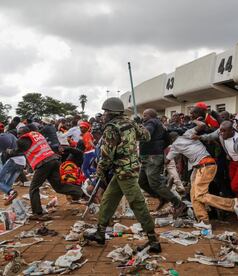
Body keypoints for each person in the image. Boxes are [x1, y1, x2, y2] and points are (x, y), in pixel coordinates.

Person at [83, 97, 161, 253]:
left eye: (105, 112)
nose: (103, 115)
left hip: (125, 171)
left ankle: (153, 241)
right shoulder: (130, 123)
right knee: (108, 199)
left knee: (137, 203)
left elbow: (106, 155)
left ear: (111, 113)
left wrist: (100, 171)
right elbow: (146, 136)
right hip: (126, 169)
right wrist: (139, 124)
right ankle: (100, 232)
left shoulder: (112, 128)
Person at [166, 123, 238, 229]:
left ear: (171, 139)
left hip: (205, 166)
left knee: (200, 195)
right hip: (200, 167)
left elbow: (167, 161)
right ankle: (204, 221)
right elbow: (201, 125)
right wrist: (193, 122)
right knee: (194, 194)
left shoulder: (174, 146)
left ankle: (232, 204)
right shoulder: (187, 133)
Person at [7, 126, 83, 220]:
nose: (18, 136)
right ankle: (82, 192)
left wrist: (9, 151)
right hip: (54, 160)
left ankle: (37, 213)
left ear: (24, 133)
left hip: (43, 163)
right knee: (59, 187)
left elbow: (17, 151)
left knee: (33, 188)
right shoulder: (37, 135)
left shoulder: (24, 139)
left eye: (19, 133)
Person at [138, 108, 186, 215]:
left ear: (151, 116)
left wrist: (138, 127)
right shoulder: (160, 125)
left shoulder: (151, 122)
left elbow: (146, 133)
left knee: (154, 183)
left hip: (152, 157)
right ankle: (162, 197)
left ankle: (178, 204)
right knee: (142, 182)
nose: (143, 117)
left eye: (145, 115)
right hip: (149, 157)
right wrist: (159, 148)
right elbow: (168, 140)